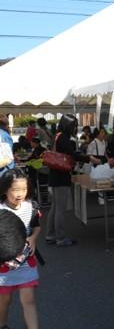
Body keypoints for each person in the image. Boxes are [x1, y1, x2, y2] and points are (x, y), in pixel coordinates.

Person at [46, 114, 100, 247]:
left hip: (55, 175)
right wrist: (89, 158)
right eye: (73, 126)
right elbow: (73, 154)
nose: (75, 128)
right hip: (61, 176)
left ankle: (50, 234)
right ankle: (60, 237)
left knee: (55, 207)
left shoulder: (57, 135)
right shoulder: (63, 138)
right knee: (60, 208)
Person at [0, 169, 41, 329]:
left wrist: (33, 238)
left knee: (29, 300)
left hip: (26, 261)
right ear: (5, 189)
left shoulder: (31, 207)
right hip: (3, 264)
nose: (20, 194)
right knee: (5, 300)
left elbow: (36, 227)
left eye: (23, 189)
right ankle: (2, 324)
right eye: (15, 190)